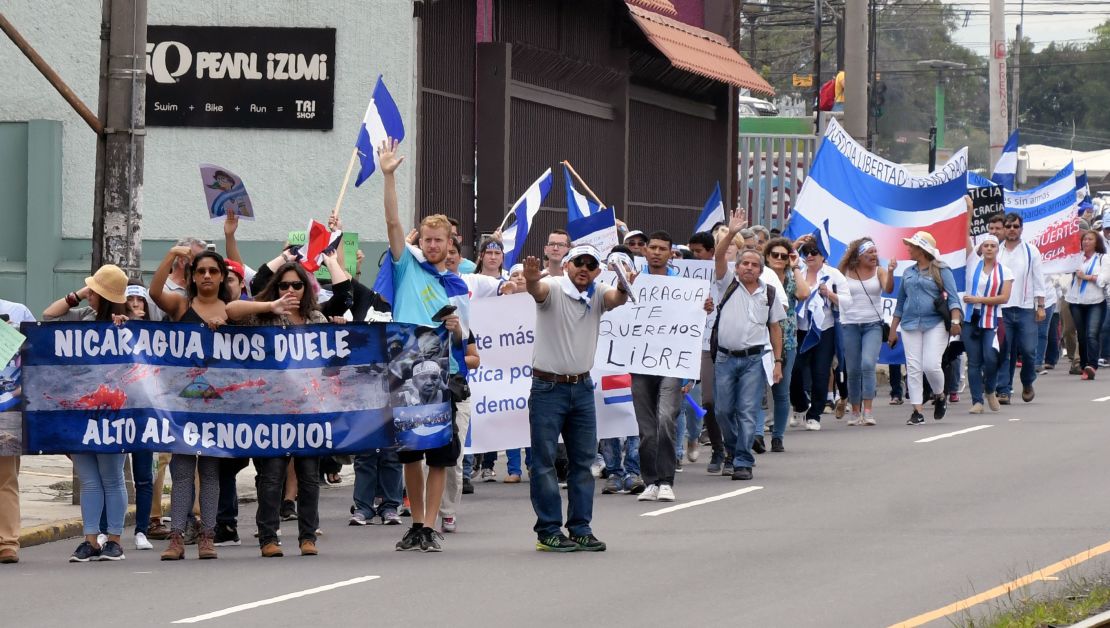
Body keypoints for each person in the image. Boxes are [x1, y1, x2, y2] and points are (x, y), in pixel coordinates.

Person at [379, 138, 468, 553]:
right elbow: (393, 223)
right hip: (403, 371)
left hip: (442, 377)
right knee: (411, 453)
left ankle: (430, 525)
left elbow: (467, 340)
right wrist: (389, 175)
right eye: (428, 239)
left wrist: (456, 327)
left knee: (438, 454)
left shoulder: (456, 286)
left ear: (451, 244)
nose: (433, 245)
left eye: (440, 240)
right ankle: (416, 521)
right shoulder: (406, 267)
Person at [524, 244, 633, 551]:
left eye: (590, 264)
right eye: (579, 263)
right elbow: (538, 289)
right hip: (548, 389)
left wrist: (624, 283)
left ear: (597, 270)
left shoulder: (598, 292)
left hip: (582, 388)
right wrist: (531, 280)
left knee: (583, 462)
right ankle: (548, 531)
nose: (584, 268)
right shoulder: (555, 288)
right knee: (545, 462)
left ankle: (580, 527)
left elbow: (617, 298)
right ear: (568, 265)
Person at [227, 261, 332, 557]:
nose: (290, 290)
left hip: (309, 410)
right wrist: (268, 306)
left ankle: (307, 536)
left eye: (296, 285)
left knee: (309, 477)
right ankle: (268, 537)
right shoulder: (265, 316)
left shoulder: (316, 320)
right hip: (271, 410)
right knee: (271, 476)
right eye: (283, 285)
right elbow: (231, 311)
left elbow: (330, 365)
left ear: (306, 289)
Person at [42, 264, 130, 562]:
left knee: (112, 477)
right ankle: (91, 539)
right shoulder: (83, 317)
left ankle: (115, 540)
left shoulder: (127, 323)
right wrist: (77, 295)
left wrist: (125, 327)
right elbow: (49, 316)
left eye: (94, 291)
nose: (90, 294)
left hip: (112, 411)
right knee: (89, 480)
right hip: (80, 411)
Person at [150, 248, 232, 560]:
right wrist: (170, 255)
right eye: (201, 271)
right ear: (192, 276)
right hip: (182, 405)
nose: (207, 276)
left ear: (221, 275)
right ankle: (176, 538)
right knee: (182, 473)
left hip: (217, 406)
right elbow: (155, 292)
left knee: (210, 473)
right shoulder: (182, 304)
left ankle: (207, 536)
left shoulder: (231, 308)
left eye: (213, 271)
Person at [712, 210, 785, 481]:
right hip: (725, 359)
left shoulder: (769, 292)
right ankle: (731, 450)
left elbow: (775, 327)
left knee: (746, 411)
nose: (749, 268)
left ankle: (743, 460)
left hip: (754, 360)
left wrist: (777, 362)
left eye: (755, 265)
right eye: (745, 264)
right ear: (737, 267)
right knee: (722, 410)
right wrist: (731, 232)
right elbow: (719, 256)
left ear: (760, 270)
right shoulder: (726, 283)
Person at [631, 231, 685, 503]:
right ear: (644, 251)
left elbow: (693, 325)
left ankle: (666, 480)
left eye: (662, 248)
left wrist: (704, 308)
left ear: (670, 252)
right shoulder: (632, 280)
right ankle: (650, 481)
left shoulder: (684, 286)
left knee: (666, 418)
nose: (656, 252)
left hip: (672, 362)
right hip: (639, 361)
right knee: (646, 428)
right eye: (652, 247)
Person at [889, 232, 961, 425]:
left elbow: (953, 298)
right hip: (910, 324)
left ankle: (940, 395)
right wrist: (892, 329)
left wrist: (955, 322)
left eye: (911, 246)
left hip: (935, 323)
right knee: (913, 368)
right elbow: (901, 301)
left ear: (921, 250)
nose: (908, 249)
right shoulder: (908, 272)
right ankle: (917, 411)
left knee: (930, 365)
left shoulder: (941, 269)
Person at [791, 236, 851, 431]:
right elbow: (784, 259)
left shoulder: (833, 275)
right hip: (800, 330)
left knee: (820, 372)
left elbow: (847, 303)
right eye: (805, 252)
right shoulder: (797, 272)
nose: (809, 255)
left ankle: (814, 414)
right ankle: (800, 404)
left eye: (813, 252)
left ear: (823, 256)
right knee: (795, 370)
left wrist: (829, 294)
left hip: (824, 329)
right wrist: (796, 244)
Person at [839, 238, 896, 426]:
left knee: (867, 363)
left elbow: (888, 288)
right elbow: (834, 287)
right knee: (853, 369)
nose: (874, 255)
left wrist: (890, 271)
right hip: (850, 324)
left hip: (873, 324)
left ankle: (869, 411)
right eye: (869, 252)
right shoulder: (844, 272)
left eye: (875, 251)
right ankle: (855, 411)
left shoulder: (879, 270)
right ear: (858, 255)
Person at [763, 237, 809, 449]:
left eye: (784, 255)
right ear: (767, 257)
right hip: (760, 337)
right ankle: (755, 434)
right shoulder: (760, 276)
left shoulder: (791, 277)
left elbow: (803, 293)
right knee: (757, 389)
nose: (780, 259)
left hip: (787, 338)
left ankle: (778, 436)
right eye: (775, 255)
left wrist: (796, 266)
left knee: (781, 390)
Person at [996, 213, 1046, 404]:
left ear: (1021, 229)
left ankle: (1027, 382)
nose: (1011, 229)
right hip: (1003, 308)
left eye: (1015, 226)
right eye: (1008, 226)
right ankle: (1004, 389)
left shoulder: (1031, 250)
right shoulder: (997, 250)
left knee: (1028, 350)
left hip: (1025, 307)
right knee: (1004, 349)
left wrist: (1040, 306)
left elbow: (1038, 279)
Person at [961, 234, 1013, 413]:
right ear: (981, 248)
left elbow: (1004, 298)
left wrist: (979, 299)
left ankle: (990, 389)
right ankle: (977, 401)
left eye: (993, 245)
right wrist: (967, 208)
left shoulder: (1005, 271)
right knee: (974, 361)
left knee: (991, 358)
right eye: (986, 245)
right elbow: (965, 235)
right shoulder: (972, 264)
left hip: (992, 319)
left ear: (998, 249)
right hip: (971, 318)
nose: (989, 248)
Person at [0, 298, 34, 564]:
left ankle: (7, 542)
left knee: (5, 478)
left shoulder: (16, 311)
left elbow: (36, 352)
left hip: (7, 408)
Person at [1065, 230, 1110, 380]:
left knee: (1092, 334)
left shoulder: (1103, 258)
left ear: (1097, 242)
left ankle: (1092, 364)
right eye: (1084, 239)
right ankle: (1084, 365)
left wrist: (1087, 277)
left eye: (1090, 239)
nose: (1086, 242)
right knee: (1082, 336)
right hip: (1076, 301)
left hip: (1095, 301)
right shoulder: (1076, 259)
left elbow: (1104, 279)